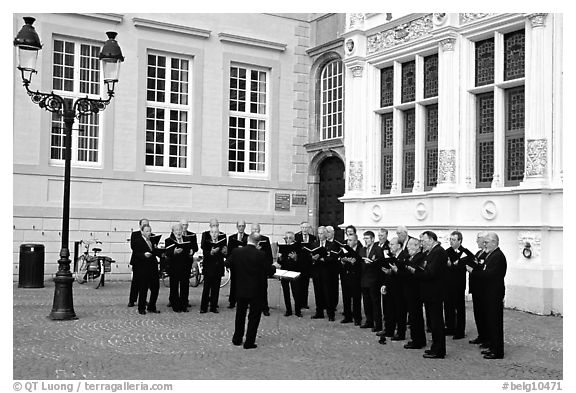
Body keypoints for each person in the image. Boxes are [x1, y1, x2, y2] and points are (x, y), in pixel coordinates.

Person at [230, 233, 277, 349]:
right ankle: (249, 342)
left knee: (240, 314)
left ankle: (237, 338)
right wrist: (275, 267)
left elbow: (228, 263)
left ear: (248, 240)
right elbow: (268, 270)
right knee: (254, 316)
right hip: (256, 290)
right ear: (258, 243)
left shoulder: (237, 252)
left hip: (241, 288)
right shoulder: (260, 254)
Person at [407, 231, 448, 359]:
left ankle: (439, 350)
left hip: (435, 292)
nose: (422, 244)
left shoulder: (438, 252)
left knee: (437, 322)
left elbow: (430, 273)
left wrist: (416, 272)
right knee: (433, 322)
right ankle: (435, 347)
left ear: (431, 239)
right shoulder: (431, 252)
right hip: (430, 292)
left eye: (424, 241)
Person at [467, 232, 507, 359]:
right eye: (484, 242)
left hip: (494, 294)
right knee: (490, 322)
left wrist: (474, 271)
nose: (484, 244)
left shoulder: (498, 256)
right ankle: (492, 346)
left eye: (486, 242)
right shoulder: (490, 254)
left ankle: (497, 351)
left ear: (494, 242)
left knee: (495, 323)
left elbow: (490, 274)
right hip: (487, 293)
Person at [444, 230, 475, 339]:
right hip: (447, 284)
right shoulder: (446, 251)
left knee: (459, 307)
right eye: (450, 239)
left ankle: (460, 331)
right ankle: (450, 327)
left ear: (460, 241)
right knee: (448, 306)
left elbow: (472, 262)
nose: (451, 242)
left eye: (453, 240)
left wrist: (455, 265)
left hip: (459, 284)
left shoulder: (465, 252)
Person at [402, 237, 427, 350]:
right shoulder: (409, 256)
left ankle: (418, 340)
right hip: (409, 289)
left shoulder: (420, 257)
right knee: (412, 316)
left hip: (415, 290)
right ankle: (416, 338)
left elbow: (414, 270)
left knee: (416, 316)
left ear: (417, 246)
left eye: (410, 245)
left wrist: (406, 265)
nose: (407, 247)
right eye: (407, 245)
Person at [132, 224, 161, 315]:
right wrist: (144, 255)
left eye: (150, 231)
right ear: (142, 232)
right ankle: (141, 308)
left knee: (155, 288)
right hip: (143, 267)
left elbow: (155, 251)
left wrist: (162, 253)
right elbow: (136, 253)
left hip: (153, 267)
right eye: (147, 231)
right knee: (143, 288)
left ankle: (152, 306)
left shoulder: (152, 240)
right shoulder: (138, 241)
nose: (149, 233)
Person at [200, 219, 227, 313]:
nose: (214, 234)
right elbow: (205, 253)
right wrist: (211, 252)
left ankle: (213, 307)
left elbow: (224, 253)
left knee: (216, 288)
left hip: (218, 267)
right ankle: (203, 307)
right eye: (212, 232)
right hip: (208, 268)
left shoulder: (222, 241)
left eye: (216, 232)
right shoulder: (206, 242)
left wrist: (224, 252)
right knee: (206, 288)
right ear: (210, 233)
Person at [359, 231, 384, 333]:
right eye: (364, 238)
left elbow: (380, 262)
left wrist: (371, 263)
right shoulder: (362, 249)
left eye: (367, 238)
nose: (365, 240)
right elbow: (360, 261)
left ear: (373, 239)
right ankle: (369, 321)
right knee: (366, 302)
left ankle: (377, 324)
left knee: (375, 303)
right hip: (364, 279)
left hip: (374, 279)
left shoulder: (378, 249)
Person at [165, 223, 192, 312]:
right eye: (176, 230)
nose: (178, 232)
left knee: (185, 287)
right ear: (173, 231)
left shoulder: (187, 240)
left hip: (185, 267)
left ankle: (184, 305)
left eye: (180, 230)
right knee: (174, 287)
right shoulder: (168, 240)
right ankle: (175, 306)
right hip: (174, 267)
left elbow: (190, 251)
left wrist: (191, 252)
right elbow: (167, 253)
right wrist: (174, 252)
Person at [468, 231, 489, 346]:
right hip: (476, 288)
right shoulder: (479, 253)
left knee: (484, 314)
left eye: (478, 239)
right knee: (478, 314)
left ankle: (487, 337)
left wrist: (473, 270)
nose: (476, 241)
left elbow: (482, 270)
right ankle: (481, 335)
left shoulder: (487, 254)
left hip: (482, 289)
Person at [339, 233, 363, 325]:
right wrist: (343, 261)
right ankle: (347, 316)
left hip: (356, 277)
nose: (348, 242)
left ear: (356, 241)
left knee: (356, 298)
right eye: (348, 240)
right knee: (346, 297)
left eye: (351, 240)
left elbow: (360, 261)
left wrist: (353, 262)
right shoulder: (345, 250)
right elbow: (340, 258)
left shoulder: (360, 249)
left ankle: (357, 318)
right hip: (346, 276)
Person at [251, 223, 273, 316]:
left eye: (257, 230)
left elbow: (269, 256)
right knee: (252, 289)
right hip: (251, 269)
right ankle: (254, 307)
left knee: (263, 289)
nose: (255, 231)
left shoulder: (265, 239)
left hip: (262, 269)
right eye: (254, 230)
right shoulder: (248, 239)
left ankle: (265, 308)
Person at [277, 231, 299, 316]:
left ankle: (297, 310)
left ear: (293, 239)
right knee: (286, 292)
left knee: (296, 292)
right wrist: (280, 257)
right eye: (286, 238)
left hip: (294, 271)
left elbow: (301, 261)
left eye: (290, 238)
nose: (288, 240)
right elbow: (279, 262)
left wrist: (295, 257)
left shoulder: (297, 246)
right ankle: (288, 310)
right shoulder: (282, 247)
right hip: (285, 272)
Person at [295, 222, 316, 311]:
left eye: (306, 227)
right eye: (303, 227)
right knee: (299, 285)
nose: (304, 229)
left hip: (308, 264)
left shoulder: (312, 237)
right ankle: (298, 303)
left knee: (306, 284)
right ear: (300, 228)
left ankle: (304, 303)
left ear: (309, 228)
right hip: (299, 263)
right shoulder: (296, 236)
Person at [227, 220, 248, 309]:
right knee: (234, 283)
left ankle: (244, 302)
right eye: (239, 226)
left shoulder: (248, 237)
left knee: (245, 283)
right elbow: (229, 251)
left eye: (243, 226)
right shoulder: (232, 238)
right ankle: (232, 301)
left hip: (245, 264)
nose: (241, 228)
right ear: (237, 227)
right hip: (235, 264)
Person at [128, 218, 149, 307]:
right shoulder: (135, 234)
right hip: (137, 261)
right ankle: (132, 300)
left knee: (144, 283)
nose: (145, 226)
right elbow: (133, 247)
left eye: (147, 224)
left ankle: (143, 300)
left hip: (146, 262)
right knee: (136, 281)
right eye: (144, 225)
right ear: (140, 225)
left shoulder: (149, 234)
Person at [179, 219, 198, 308]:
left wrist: (192, 250)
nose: (184, 226)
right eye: (183, 225)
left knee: (185, 282)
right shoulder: (176, 234)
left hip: (187, 260)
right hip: (177, 262)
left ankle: (185, 300)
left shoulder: (192, 235)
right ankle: (173, 300)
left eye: (186, 225)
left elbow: (195, 247)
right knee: (175, 282)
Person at [323, 226, 340, 321]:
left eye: (328, 232)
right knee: (327, 291)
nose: (327, 234)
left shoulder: (337, 242)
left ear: (333, 233)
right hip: (325, 270)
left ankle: (333, 307)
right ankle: (328, 310)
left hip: (334, 270)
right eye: (325, 232)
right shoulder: (324, 243)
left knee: (333, 290)